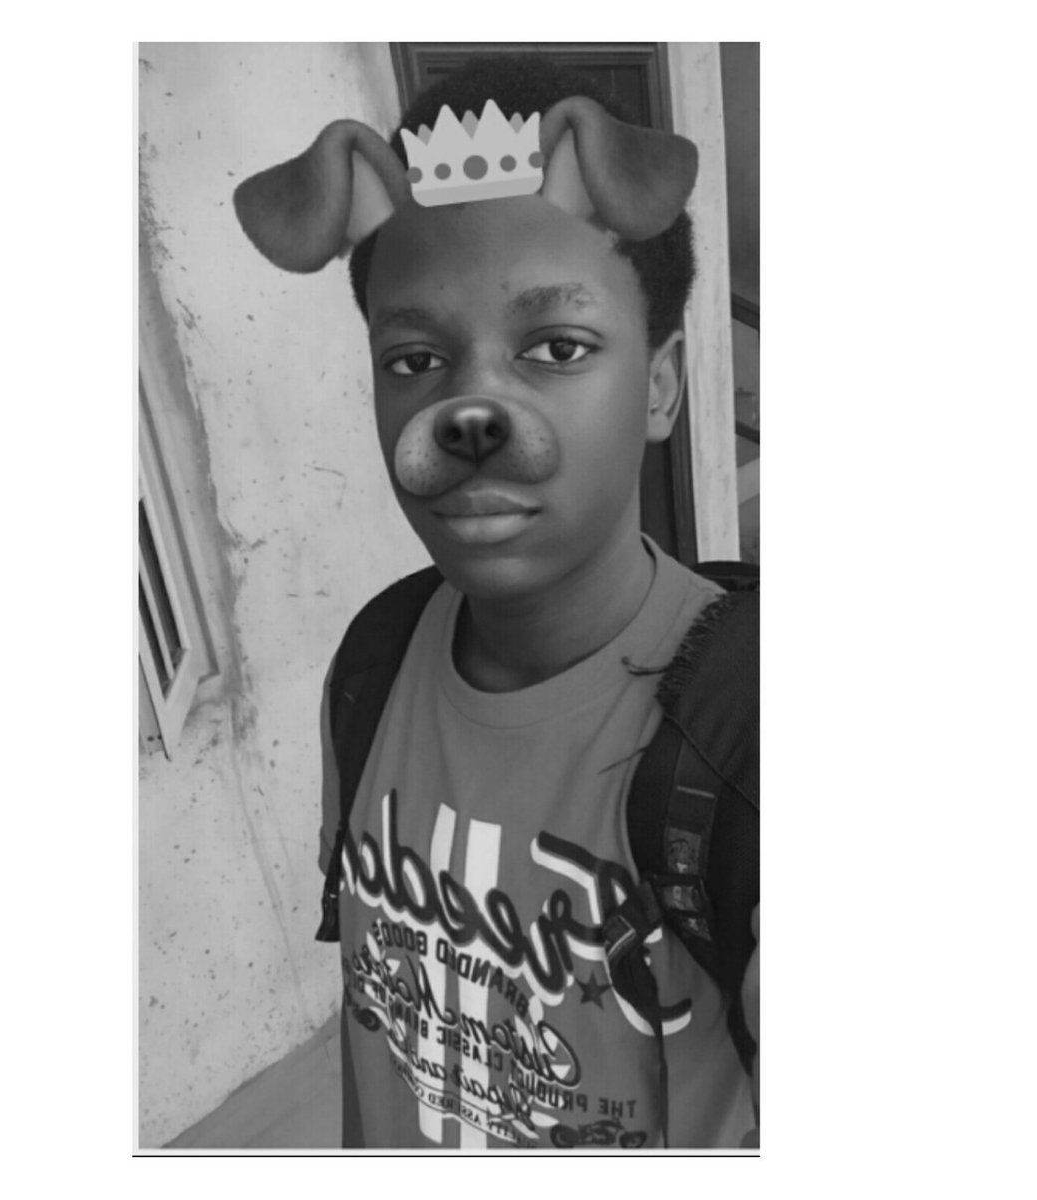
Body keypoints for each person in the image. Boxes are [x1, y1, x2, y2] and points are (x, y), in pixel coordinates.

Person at [236, 53, 758, 1150]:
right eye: (414, 359)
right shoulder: (373, 664)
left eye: (557, 348)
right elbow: (381, 1023)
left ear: (660, 384)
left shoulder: (747, 740)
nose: (471, 410)